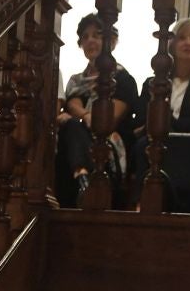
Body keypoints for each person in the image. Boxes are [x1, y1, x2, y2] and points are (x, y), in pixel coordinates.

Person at [57, 14, 139, 204]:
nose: (90, 41)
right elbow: (73, 104)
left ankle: (84, 182)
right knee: (70, 129)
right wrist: (85, 115)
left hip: (107, 144)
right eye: (85, 37)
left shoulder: (123, 79)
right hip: (78, 142)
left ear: (111, 41)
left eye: (96, 35)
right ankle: (83, 180)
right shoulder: (76, 81)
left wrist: (82, 117)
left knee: (73, 128)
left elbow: (106, 121)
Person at [135, 17, 190, 136]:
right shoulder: (152, 84)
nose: (189, 42)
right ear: (172, 44)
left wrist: (165, 117)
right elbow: (140, 123)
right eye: (182, 38)